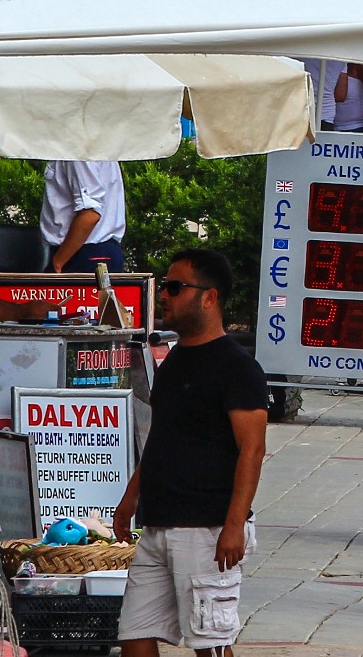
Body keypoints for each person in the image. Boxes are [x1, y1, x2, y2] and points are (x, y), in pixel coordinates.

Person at [114, 248, 270, 656]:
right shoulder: (175, 359)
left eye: (175, 287)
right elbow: (162, 435)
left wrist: (234, 525)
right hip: (158, 523)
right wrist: (132, 496)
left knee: (210, 643)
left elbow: (252, 450)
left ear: (209, 297)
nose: (164, 295)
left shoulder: (237, 367)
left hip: (207, 528)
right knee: (134, 636)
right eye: (166, 286)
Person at [43, 159, 128, 273]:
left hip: (82, 252)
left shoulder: (77, 152)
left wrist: (58, 263)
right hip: (96, 250)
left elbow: (90, 214)